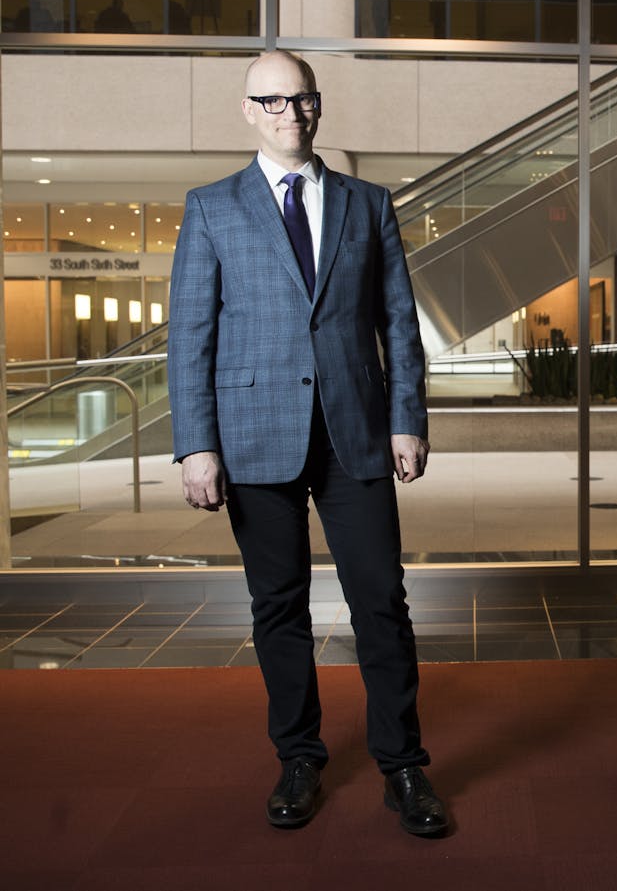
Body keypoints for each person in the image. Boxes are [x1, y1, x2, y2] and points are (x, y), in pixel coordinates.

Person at [168, 50, 448, 837]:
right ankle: (299, 755)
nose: (294, 114)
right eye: (276, 101)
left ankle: (403, 765)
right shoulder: (212, 207)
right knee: (278, 607)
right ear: (249, 110)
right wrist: (196, 444)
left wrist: (407, 418)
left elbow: (398, 321)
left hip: (355, 432)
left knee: (381, 603)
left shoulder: (368, 203)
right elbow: (190, 334)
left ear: (318, 107)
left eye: (305, 100)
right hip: (252, 435)